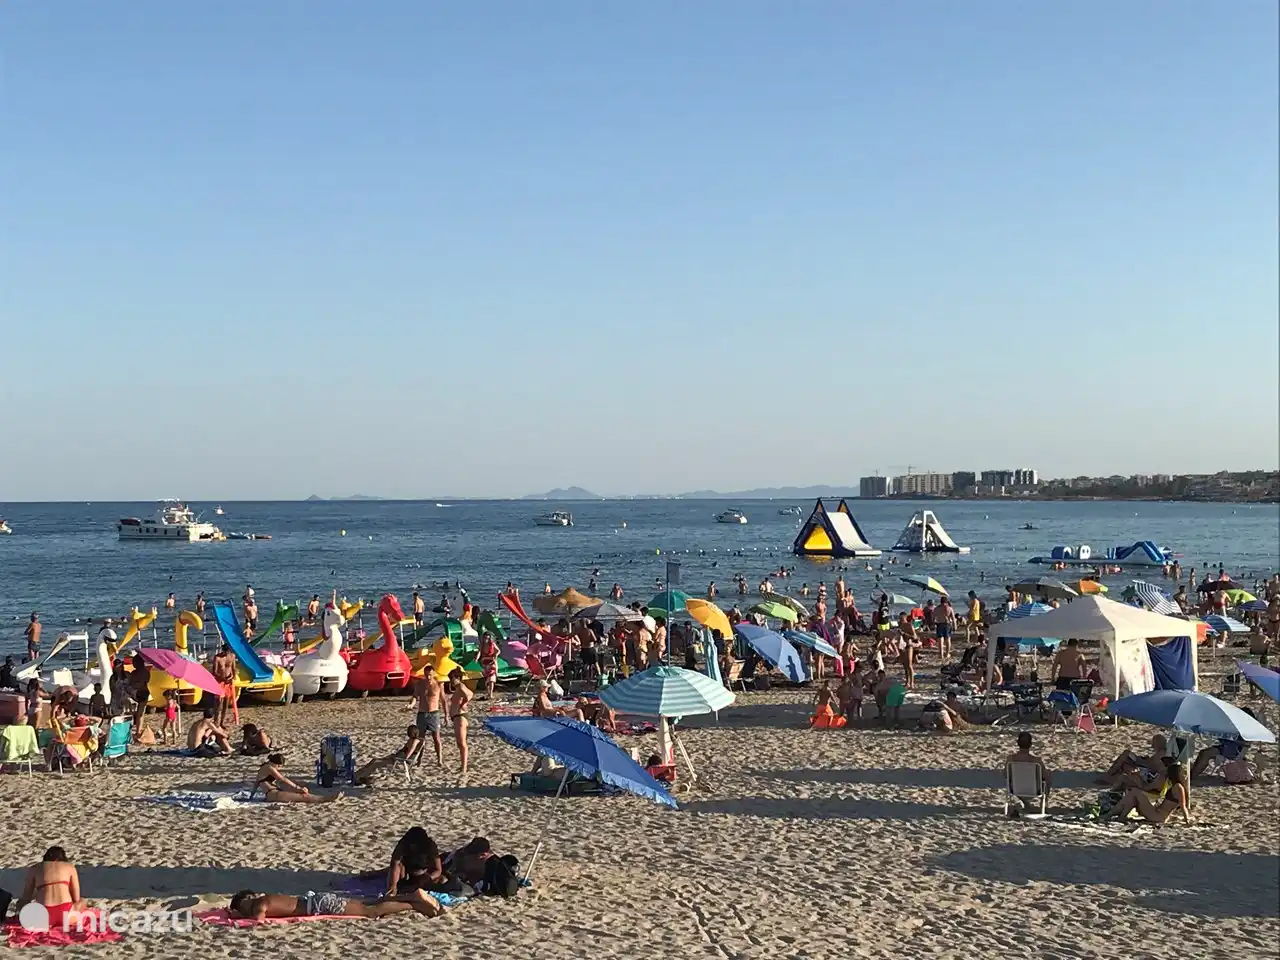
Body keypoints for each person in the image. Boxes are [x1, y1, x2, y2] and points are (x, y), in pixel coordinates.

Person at [228, 888, 439, 921]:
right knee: (370, 904)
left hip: (320, 905)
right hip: (318, 899)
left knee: (370, 912)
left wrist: (236, 917)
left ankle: (413, 903)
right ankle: (410, 897)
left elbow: (258, 921)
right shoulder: (266, 897)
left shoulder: (257, 905)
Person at [17, 847, 87, 931]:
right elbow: (76, 898)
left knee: (21, 904)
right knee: (82, 901)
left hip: (42, 917)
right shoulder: (70, 867)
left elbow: (26, 897)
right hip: (66, 915)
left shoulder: (34, 868)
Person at [1108, 759, 1191, 824]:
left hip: (1157, 816)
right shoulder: (1174, 785)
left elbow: (1183, 807)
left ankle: (1115, 815)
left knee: (1135, 792)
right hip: (1157, 813)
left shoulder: (1178, 787)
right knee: (1133, 795)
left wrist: (1187, 821)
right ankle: (1119, 816)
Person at [253, 752, 340, 803]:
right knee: (303, 797)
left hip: (272, 793)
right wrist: (297, 788)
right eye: (279, 766)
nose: (279, 768)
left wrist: (251, 797)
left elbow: (256, 784)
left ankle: (323, 797)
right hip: (274, 794)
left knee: (301, 790)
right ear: (276, 763)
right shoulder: (269, 768)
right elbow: (282, 779)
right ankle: (325, 799)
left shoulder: (264, 768)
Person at [355, 725, 422, 786]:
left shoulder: (414, 742)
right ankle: (357, 774)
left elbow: (407, 756)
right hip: (397, 758)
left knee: (376, 763)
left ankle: (361, 777)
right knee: (374, 760)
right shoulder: (412, 740)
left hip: (400, 762)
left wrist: (395, 757)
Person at [411, 670, 445, 768]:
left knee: (436, 738)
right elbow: (415, 697)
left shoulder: (438, 684)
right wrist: (411, 704)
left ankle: (439, 759)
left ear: (433, 674)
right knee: (420, 738)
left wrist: (446, 715)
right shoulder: (420, 684)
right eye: (426, 675)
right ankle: (419, 759)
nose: (428, 677)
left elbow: (443, 700)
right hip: (422, 713)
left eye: (430, 674)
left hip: (434, 713)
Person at [1006, 731, 1053, 797]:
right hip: (1034, 790)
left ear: (1018, 743)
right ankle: (1046, 799)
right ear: (1030, 744)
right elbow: (1044, 776)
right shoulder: (1036, 761)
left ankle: (1024, 802)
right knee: (1048, 774)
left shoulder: (1010, 759)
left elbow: (1006, 775)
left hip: (1015, 789)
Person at [446, 668, 473, 774]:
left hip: (460, 716)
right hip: (457, 717)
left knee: (462, 743)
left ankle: (464, 767)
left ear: (458, 678)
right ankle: (463, 766)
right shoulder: (459, 688)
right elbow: (470, 693)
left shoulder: (461, 686)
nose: (451, 681)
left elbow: (469, 695)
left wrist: (463, 704)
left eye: (452, 679)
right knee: (460, 743)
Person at [211, 644, 238, 726]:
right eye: (224, 651)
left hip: (228, 682)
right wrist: (223, 678)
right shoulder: (217, 658)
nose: (225, 653)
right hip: (220, 682)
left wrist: (233, 677)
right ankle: (216, 721)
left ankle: (222, 722)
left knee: (226, 703)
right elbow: (214, 672)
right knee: (218, 703)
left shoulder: (232, 656)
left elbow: (233, 668)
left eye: (227, 652)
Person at [130, 652, 151, 738]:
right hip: (142, 692)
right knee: (139, 713)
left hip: (139, 693)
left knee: (137, 713)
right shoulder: (145, 672)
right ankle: (138, 731)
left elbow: (134, 684)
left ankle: (136, 731)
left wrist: (136, 684)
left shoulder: (136, 673)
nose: (133, 664)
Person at [477, 632, 500, 700]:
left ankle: (491, 693)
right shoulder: (482, 645)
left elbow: (498, 651)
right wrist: (477, 658)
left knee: (491, 679)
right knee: (486, 679)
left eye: (487, 638)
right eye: (485, 638)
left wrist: (495, 655)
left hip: (491, 662)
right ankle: (488, 692)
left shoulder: (492, 644)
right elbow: (479, 652)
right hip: (484, 663)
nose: (486, 639)